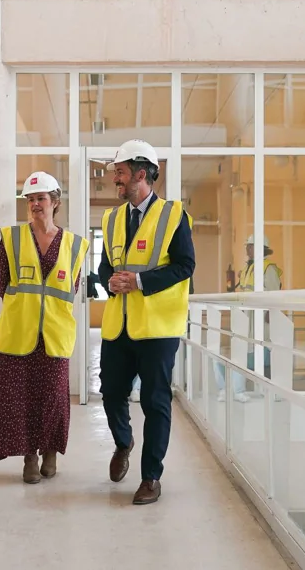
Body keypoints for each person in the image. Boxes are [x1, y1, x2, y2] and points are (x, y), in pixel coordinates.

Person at [98, 139, 196, 506]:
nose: (115, 180)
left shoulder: (174, 215)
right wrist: (108, 279)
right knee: (110, 393)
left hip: (158, 328)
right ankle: (124, 442)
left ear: (141, 174)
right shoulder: (111, 219)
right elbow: (105, 264)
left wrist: (139, 282)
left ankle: (151, 476)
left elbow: (185, 266)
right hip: (118, 325)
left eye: (120, 173)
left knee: (156, 402)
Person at [0, 171, 89, 484]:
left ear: (55, 202)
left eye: (41, 198)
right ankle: (28, 457)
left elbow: (70, 287)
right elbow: (0, 282)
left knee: (53, 397)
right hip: (19, 333)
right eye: (30, 199)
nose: (35, 204)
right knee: (19, 398)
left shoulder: (74, 245)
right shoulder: (12, 239)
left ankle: (50, 453)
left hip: (55, 335)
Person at [214, 234, 282, 401]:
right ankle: (235, 390)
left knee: (263, 354)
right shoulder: (248, 267)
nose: (246, 249)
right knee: (242, 353)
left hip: (260, 319)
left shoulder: (268, 268)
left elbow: (274, 295)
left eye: (249, 246)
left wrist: (269, 314)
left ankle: (270, 391)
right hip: (246, 317)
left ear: (258, 248)